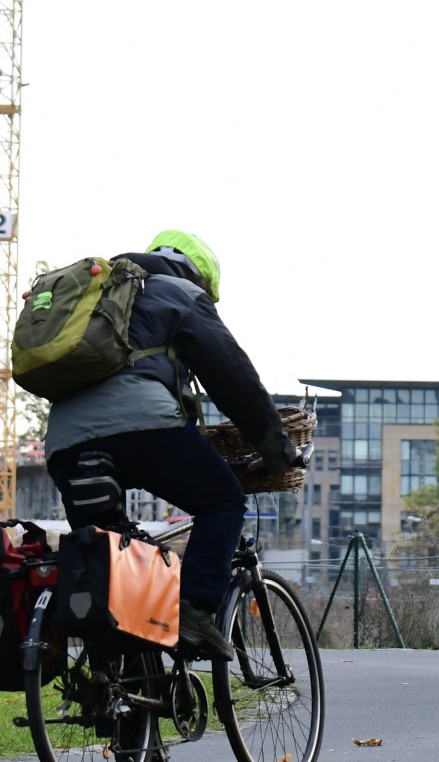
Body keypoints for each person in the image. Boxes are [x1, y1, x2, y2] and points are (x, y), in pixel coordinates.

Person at [44, 229, 298, 660]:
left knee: (106, 554)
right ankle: (195, 615)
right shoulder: (179, 292)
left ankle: (118, 697)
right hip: (142, 426)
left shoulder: (99, 294)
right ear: (200, 278)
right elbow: (232, 377)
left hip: (64, 439)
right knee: (223, 502)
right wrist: (275, 448)